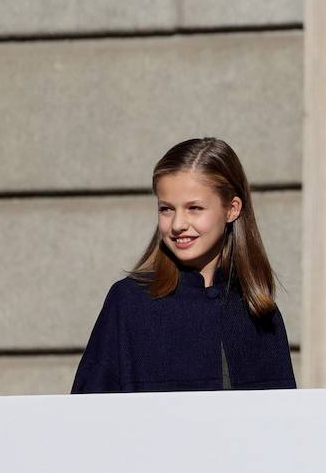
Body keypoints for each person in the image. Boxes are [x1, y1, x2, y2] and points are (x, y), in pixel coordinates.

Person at [72, 138, 296, 392]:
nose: (178, 224)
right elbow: (84, 419)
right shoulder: (128, 304)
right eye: (166, 209)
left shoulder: (259, 313)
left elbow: (285, 424)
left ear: (232, 209)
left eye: (194, 208)